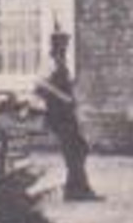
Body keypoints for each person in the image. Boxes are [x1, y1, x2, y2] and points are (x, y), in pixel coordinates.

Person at [34, 30, 102, 202]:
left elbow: (68, 85)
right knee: (75, 149)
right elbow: (39, 84)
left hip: (67, 113)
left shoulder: (62, 62)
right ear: (54, 44)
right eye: (61, 44)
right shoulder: (49, 62)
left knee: (79, 148)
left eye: (66, 44)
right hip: (57, 113)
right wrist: (61, 96)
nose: (64, 47)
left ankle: (74, 188)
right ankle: (79, 190)